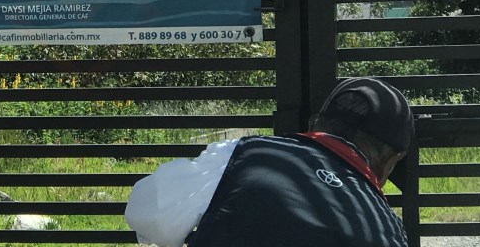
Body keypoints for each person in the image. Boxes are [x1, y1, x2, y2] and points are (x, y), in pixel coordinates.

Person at [125, 77, 414, 246]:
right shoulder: (386, 231)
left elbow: (147, 211)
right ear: (392, 160)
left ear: (315, 124)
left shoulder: (246, 154)